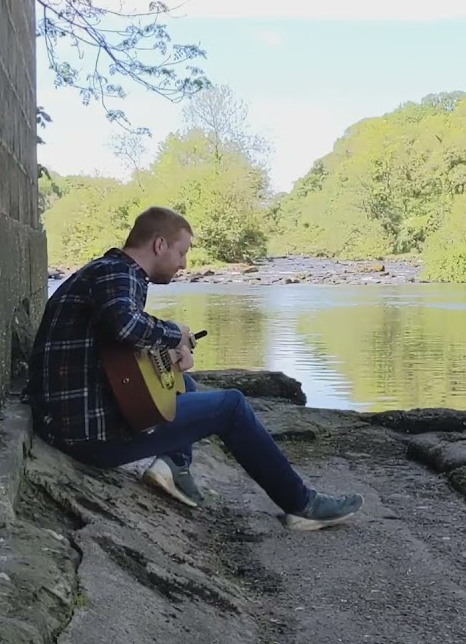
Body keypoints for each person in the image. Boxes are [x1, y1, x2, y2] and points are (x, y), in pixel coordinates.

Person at [24, 206, 363, 530]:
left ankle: (173, 466)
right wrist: (175, 335)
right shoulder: (118, 273)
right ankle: (302, 506)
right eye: (182, 252)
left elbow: (112, 352)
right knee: (231, 405)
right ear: (159, 245)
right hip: (88, 435)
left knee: (183, 383)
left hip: (69, 422)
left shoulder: (107, 272)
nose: (184, 264)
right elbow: (124, 326)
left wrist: (169, 355)